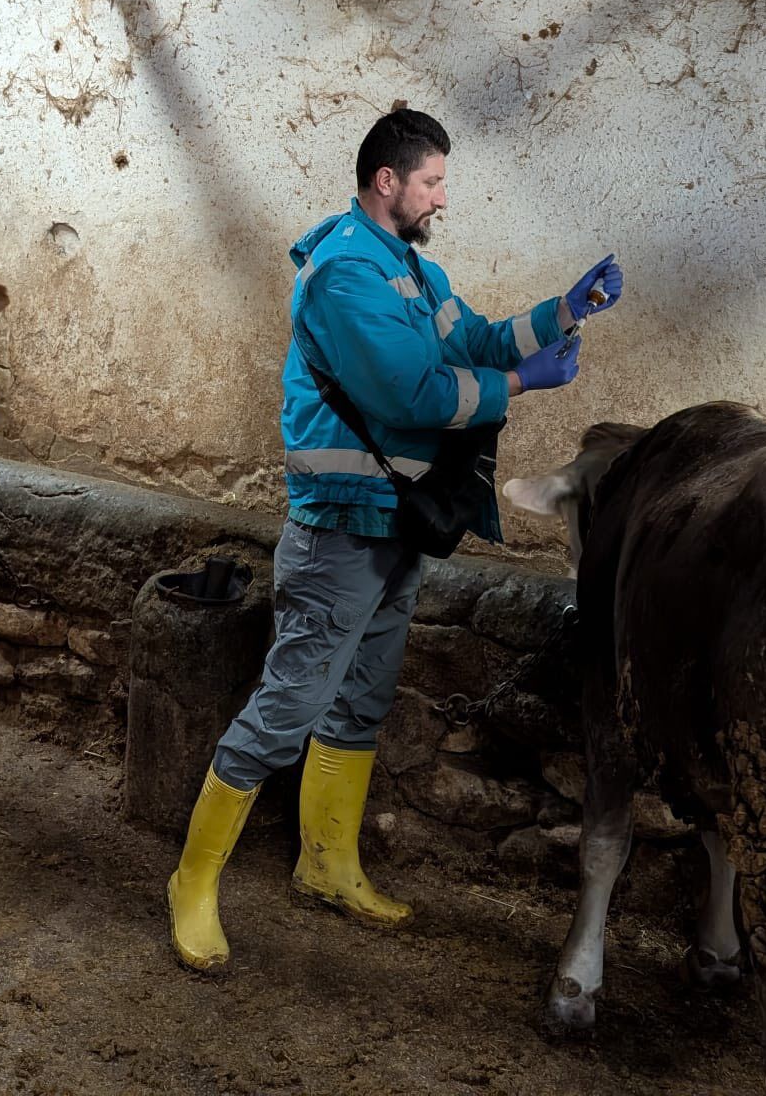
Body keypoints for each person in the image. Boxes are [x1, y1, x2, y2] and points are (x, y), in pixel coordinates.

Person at [166, 108, 623, 971]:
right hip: (340, 530)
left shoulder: (412, 270)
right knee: (288, 709)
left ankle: (326, 865)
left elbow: (477, 339)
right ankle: (192, 881)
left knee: (359, 703)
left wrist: (561, 312)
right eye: (433, 182)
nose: (442, 198)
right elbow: (409, 395)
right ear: (389, 183)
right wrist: (522, 382)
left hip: (397, 525)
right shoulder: (345, 275)